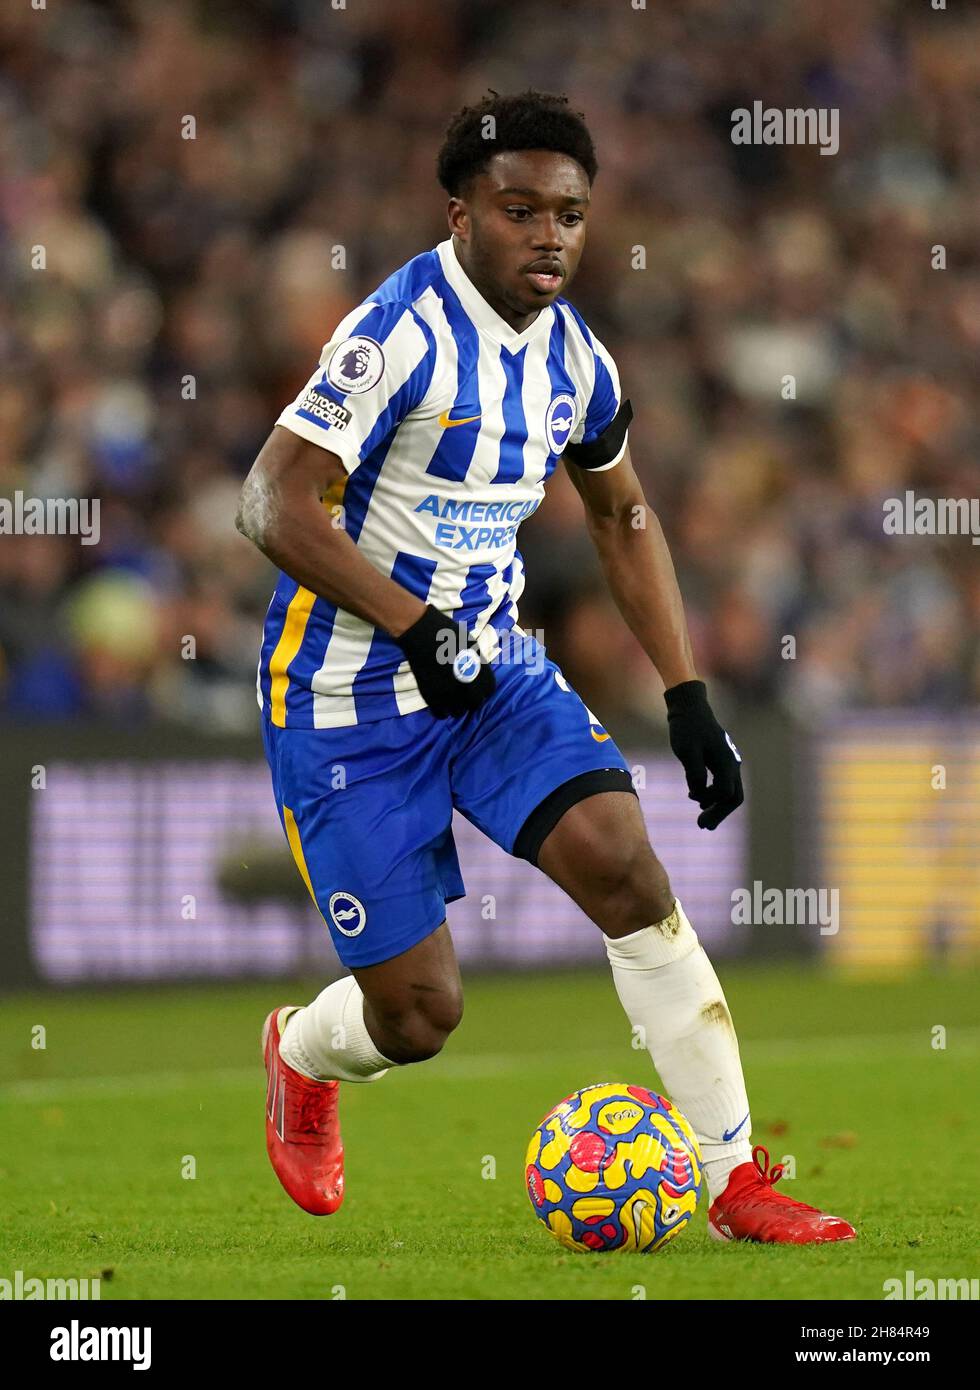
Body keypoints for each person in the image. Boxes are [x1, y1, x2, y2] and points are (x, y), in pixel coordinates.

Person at [237, 90, 854, 1245]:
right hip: (346, 699)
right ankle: (300, 1052)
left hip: (492, 679)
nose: (548, 236)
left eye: (567, 213)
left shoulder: (574, 360)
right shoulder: (397, 334)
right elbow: (270, 503)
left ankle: (728, 1181)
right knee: (419, 1015)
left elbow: (622, 519)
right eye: (518, 210)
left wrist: (686, 699)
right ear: (459, 212)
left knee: (628, 868)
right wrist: (414, 623)